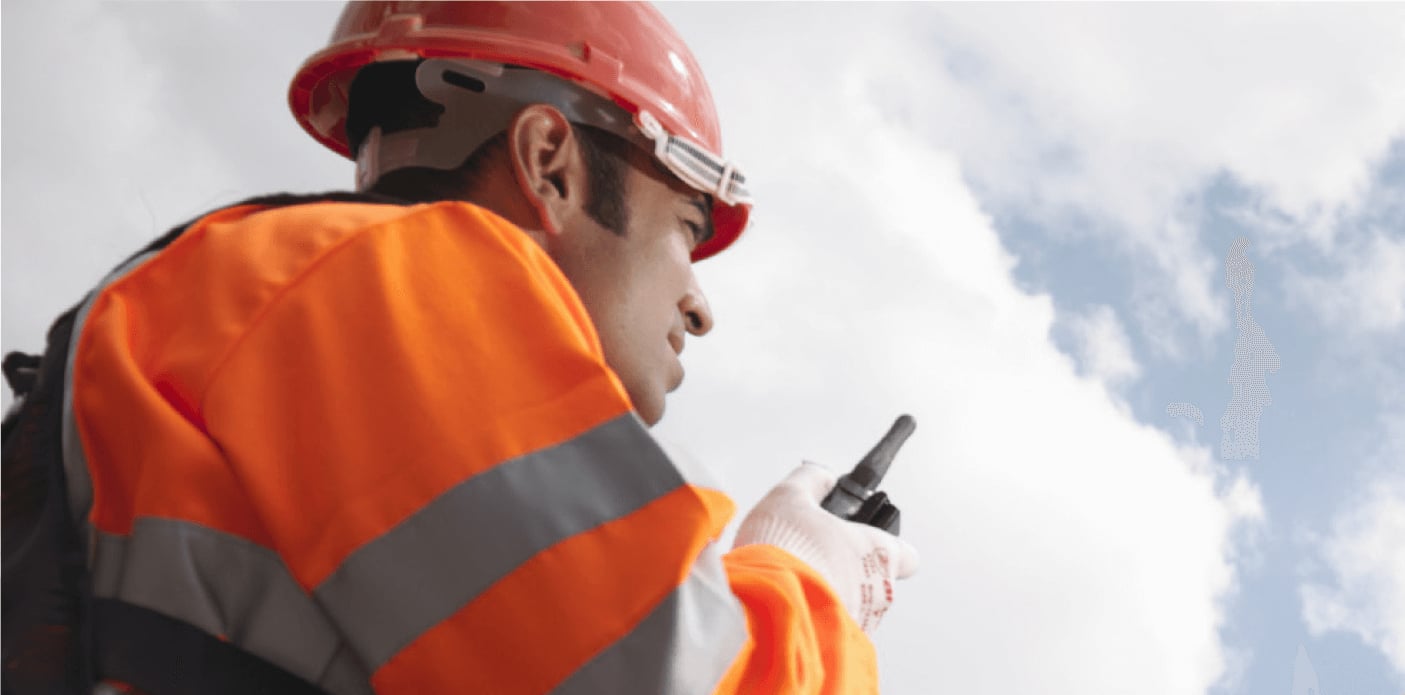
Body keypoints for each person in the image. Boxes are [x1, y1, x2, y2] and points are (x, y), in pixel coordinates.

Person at [2, 2, 918, 693]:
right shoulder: (387, 274)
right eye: (685, 224)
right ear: (549, 161)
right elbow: (655, 676)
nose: (699, 303)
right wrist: (809, 587)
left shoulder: (258, 299)